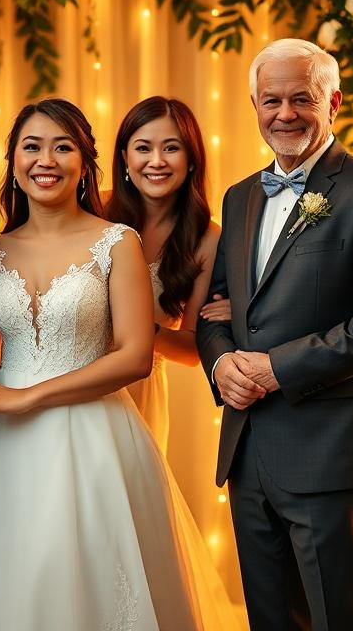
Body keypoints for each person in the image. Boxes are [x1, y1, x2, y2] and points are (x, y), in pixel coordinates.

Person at [0, 99, 244, 630]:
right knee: (19, 576)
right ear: (11, 159)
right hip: (7, 442)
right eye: (31, 147)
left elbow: (135, 357)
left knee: (88, 573)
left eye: (63, 147)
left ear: (85, 162)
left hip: (95, 432)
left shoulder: (115, 241)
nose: (46, 160)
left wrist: (23, 396)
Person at [197, 38, 353, 630]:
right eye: (271, 100)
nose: (285, 114)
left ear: (334, 103)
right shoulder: (240, 197)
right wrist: (222, 367)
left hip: (333, 460)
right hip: (250, 457)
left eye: (303, 99)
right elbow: (217, 310)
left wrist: (277, 368)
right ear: (254, 105)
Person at [105, 95, 228, 451]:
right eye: (143, 148)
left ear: (191, 160)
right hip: (72, 375)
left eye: (171, 148)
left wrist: (142, 328)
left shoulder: (207, 237)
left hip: (140, 390)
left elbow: (192, 349)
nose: (156, 161)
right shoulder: (94, 210)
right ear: (125, 158)